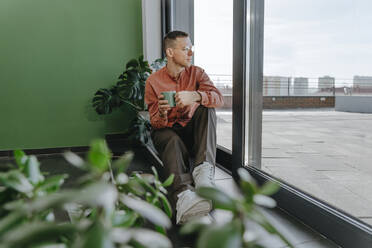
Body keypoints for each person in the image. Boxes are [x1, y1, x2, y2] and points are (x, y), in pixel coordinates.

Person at [144, 30, 224, 224]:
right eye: (185, 49)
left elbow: (219, 98)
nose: (190, 53)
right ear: (170, 53)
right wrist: (162, 113)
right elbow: (154, 123)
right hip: (168, 132)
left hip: (191, 131)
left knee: (207, 109)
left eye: (191, 49)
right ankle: (183, 197)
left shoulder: (197, 73)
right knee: (168, 137)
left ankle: (204, 174)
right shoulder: (153, 81)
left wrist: (196, 96)